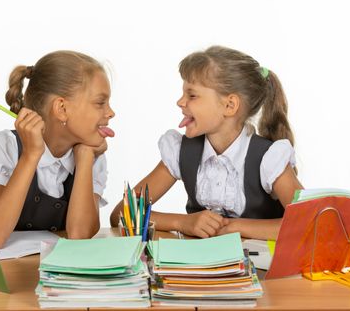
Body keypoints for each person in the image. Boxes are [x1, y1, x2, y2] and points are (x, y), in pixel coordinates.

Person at [110, 45, 302, 240]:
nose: (180, 102)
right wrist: (183, 223)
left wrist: (234, 226)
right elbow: (122, 214)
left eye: (192, 95)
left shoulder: (268, 158)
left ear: (229, 105)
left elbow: (310, 223)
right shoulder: (181, 152)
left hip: (262, 269)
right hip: (199, 266)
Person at [0, 50, 115, 249]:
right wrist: (31, 155)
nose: (111, 112)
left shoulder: (91, 154)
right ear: (62, 109)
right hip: (10, 275)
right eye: (100, 103)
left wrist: (85, 158)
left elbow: (80, 235)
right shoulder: (5, 145)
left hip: (57, 275)